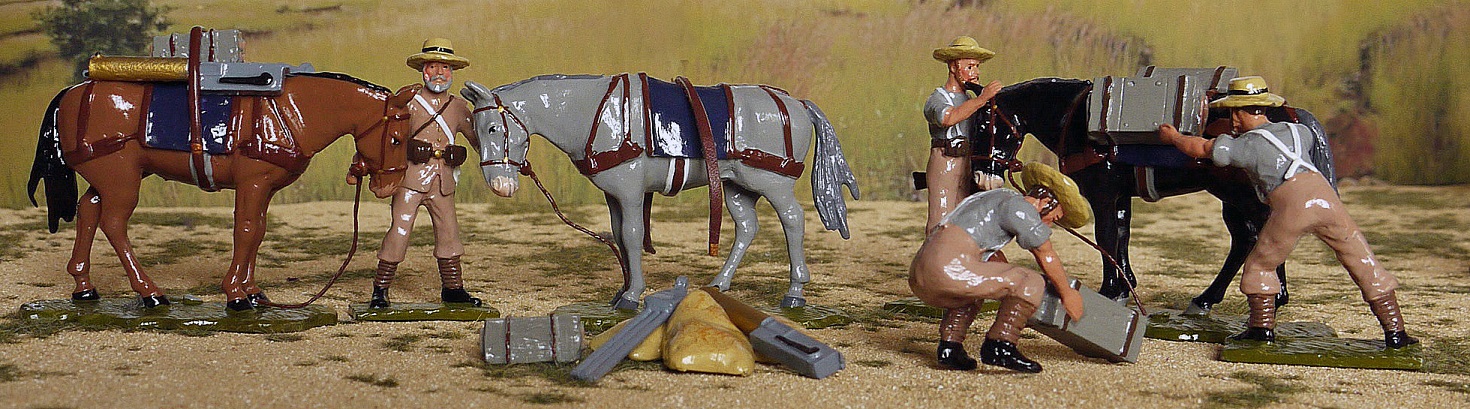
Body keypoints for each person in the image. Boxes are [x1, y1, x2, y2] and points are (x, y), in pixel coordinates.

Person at [1158, 76, 1415, 348]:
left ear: (1236, 114)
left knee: (1260, 264)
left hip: (1292, 204)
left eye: (1234, 113)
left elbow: (1202, 148)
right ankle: (1396, 332)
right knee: (1362, 260)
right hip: (1325, 197)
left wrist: (1174, 137)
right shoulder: (1299, 131)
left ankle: (1261, 329)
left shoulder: (1246, 146)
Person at [909, 162, 1089, 373]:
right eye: (1055, 217)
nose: (1049, 224)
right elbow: (1045, 253)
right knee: (1029, 281)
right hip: (947, 269)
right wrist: (1067, 293)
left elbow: (988, 252)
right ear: (1046, 201)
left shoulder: (996, 198)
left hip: (921, 271)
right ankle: (1001, 344)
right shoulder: (1021, 208)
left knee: (974, 291)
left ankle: (950, 347)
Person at [357, 38, 482, 308]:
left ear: (452, 73)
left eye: (445, 68)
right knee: (399, 230)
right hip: (410, 180)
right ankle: (380, 289)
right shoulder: (408, 103)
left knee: (449, 233)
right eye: (433, 67)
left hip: (443, 181)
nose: (439, 73)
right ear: (423, 70)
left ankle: (453, 289)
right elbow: (385, 138)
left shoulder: (459, 107)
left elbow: (478, 140)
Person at [923, 36, 1005, 236]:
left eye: (977, 66)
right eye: (969, 67)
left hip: (968, 162)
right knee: (941, 215)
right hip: (946, 161)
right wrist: (982, 98)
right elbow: (948, 118)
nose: (975, 72)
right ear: (953, 67)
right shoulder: (938, 98)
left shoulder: (970, 99)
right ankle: (931, 261)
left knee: (966, 215)